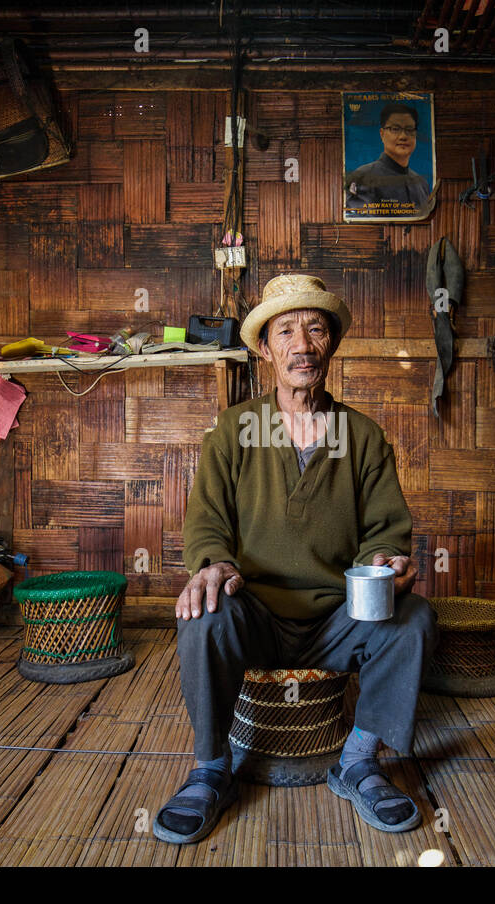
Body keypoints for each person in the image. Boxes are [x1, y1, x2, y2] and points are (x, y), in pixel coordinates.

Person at [153, 273, 438, 844]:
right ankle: (211, 769)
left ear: (330, 344)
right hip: (252, 608)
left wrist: (386, 560)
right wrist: (214, 564)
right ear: (265, 350)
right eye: (286, 331)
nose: (302, 344)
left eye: (315, 329)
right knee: (200, 616)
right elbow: (207, 521)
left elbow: (385, 529)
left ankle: (357, 760)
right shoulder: (234, 431)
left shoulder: (361, 435)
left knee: (414, 620)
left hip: (339, 616)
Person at [344, 102, 432, 215]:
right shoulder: (363, 176)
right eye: (395, 129)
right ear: (382, 134)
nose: (403, 136)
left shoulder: (422, 184)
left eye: (409, 129)